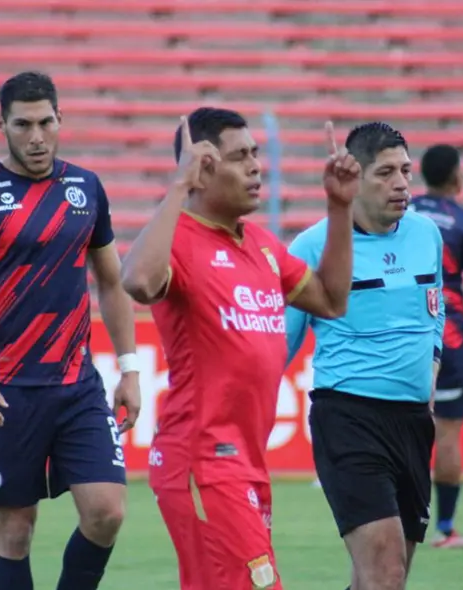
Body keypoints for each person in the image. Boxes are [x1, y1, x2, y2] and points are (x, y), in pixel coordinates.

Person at [121, 107, 356, 590]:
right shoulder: (179, 240)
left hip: (245, 461)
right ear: (203, 168)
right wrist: (178, 188)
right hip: (203, 459)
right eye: (239, 157)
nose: (255, 166)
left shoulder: (262, 246)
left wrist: (339, 209)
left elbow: (332, 301)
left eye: (256, 154)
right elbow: (138, 281)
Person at [0, 71, 141, 590]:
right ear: (1, 123)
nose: (36, 136)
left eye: (46, 122)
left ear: (60, 120)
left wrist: (130, 368)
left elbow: (112, 284)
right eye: (23, 124)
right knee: (14, 533)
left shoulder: (86, 187)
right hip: (5, 390)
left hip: (77, 386)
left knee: (107, 512)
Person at [286, 122, 445, 590]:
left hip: (414, 422)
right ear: (355, 179)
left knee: (380, 578)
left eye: (406, 171)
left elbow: (436, 309)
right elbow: (279, 344)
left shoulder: (426, 234)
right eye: (385, 173)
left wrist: (431, 365)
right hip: (348, 418)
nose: (401, 183)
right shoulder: (312, 246)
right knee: (386, 570)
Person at [410, 144, 463, 549]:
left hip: (403, 335)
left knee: (402, 430)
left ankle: (399, 518)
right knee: (445, 435)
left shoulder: (403, 212)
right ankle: (444, 529)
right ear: (454, 177)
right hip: (449, 338)